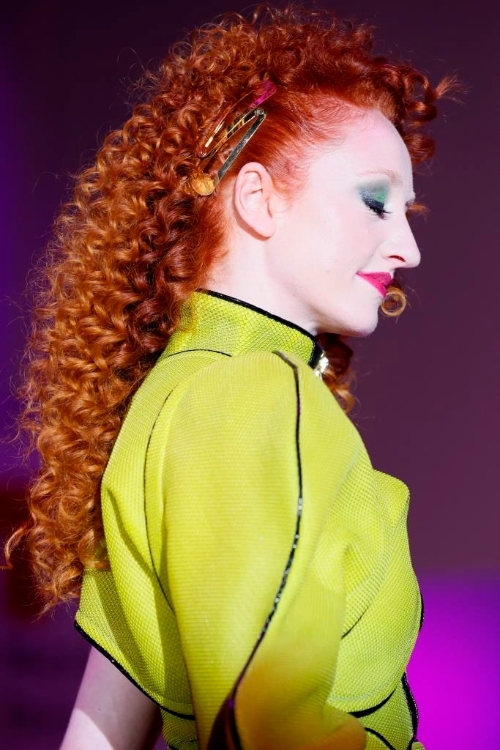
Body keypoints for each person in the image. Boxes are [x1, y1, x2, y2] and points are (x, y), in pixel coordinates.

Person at [5, 5, 454, 749]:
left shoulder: (169, 402)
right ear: (257, 199)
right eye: (376, 201)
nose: (407, 246)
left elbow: (97, 733)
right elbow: (268, 728)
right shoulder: (254, 397)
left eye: (407, 213)